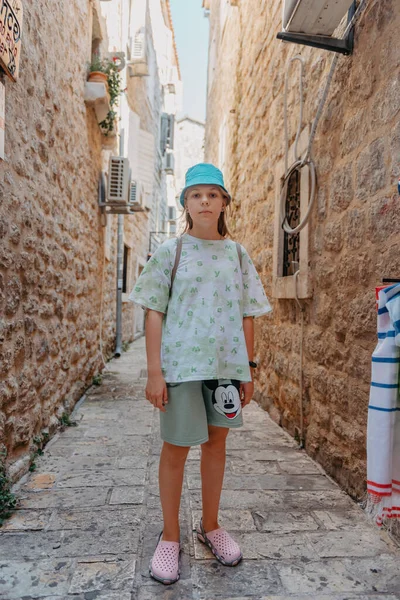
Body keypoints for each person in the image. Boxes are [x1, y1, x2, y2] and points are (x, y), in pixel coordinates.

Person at [128, 163, 272, 584]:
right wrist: (154, 373)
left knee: (216, 445)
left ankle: (211, 526)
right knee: (176, 447)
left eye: (213, 194)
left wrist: (248, 367)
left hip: (224, 369)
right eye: (196, 194)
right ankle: (170, 537)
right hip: (180, 367)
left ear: (224, 202)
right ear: (185, 204)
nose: (205, 201)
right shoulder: (169, 253)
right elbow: (154, 313)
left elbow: (247, 314)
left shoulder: (237, 254)